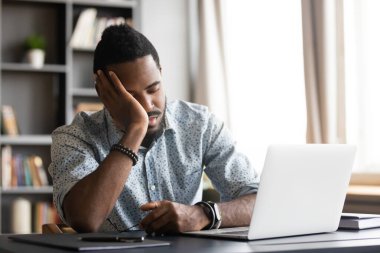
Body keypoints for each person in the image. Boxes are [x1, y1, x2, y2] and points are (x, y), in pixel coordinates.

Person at [49, 24, 259, 233]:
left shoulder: (200, 124)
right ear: (102, 91)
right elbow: (86, 219)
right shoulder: (74, 137)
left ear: (161, 72)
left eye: (153, 88)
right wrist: (135, 129)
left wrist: (203, 214)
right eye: (131, 96)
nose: (148, 106)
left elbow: (257, 201)